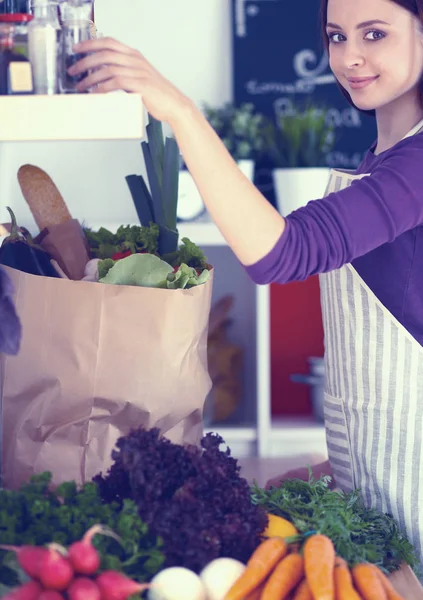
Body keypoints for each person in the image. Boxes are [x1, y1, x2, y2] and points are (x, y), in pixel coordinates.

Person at [69, 0, 423, 562]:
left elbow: (283, 252)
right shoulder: (385, 159)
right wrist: (332, 466)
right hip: (379, 487)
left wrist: (180, 111)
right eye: (336, 36)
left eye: (374, 34)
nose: (349, 57)